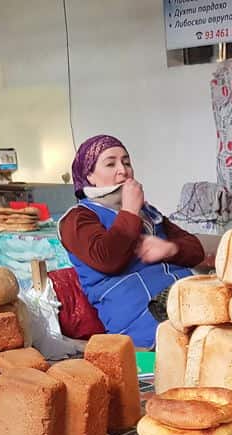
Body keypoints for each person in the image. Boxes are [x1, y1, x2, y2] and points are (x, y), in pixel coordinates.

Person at [58, 134, 204, 348]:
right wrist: (129, 211)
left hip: (189, 305)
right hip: (145, 326)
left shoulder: (147, 212)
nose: (123, 170)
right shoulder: (77, 218)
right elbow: (107, 259)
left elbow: (196, 251)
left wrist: (170, 248)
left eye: (126, 162)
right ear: (90, 176)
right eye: (111, 164)